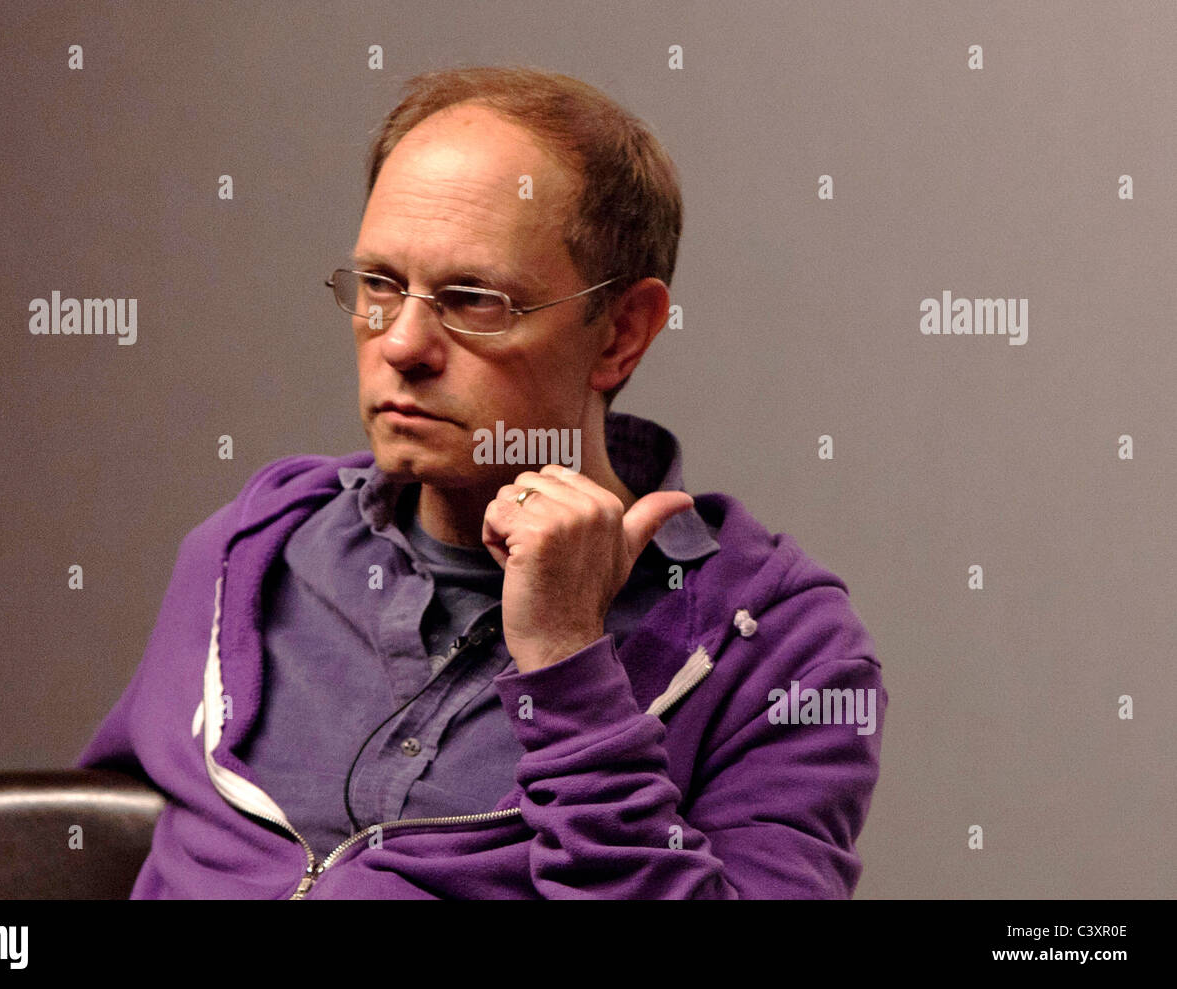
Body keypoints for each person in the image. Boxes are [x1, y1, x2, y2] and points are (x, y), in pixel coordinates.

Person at [78, 65, 887, 899]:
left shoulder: (780, 649)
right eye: (381, 286)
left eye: (473, 299)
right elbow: (89, 839)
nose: (402, 344)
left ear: (621, 333)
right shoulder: (254, 547)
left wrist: (570, 663)